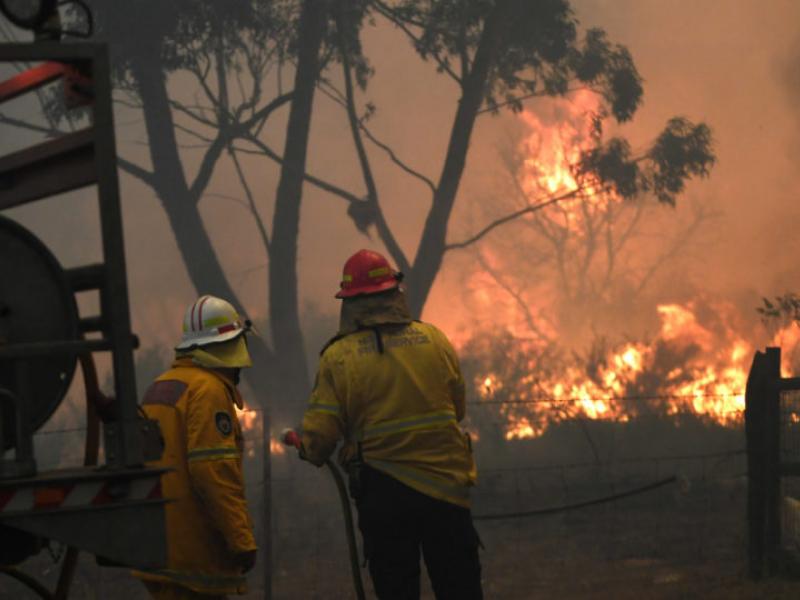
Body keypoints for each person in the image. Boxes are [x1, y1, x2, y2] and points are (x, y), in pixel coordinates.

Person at [298, 249, 483, 600]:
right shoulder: (434, 340)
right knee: (459, 587)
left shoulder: (339, 356)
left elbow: (320, 438)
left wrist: (307, 448)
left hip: (384, 495)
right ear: (394, 293)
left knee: (396, 588)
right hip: (446, 490)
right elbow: (456, 410)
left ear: (349, 303)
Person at [133, 295, 258, 600]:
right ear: (230, 347)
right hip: (196, 557)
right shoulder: (209, 390)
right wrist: (241, 541)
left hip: (159, 550)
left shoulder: (162, 385)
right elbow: (213, 471)